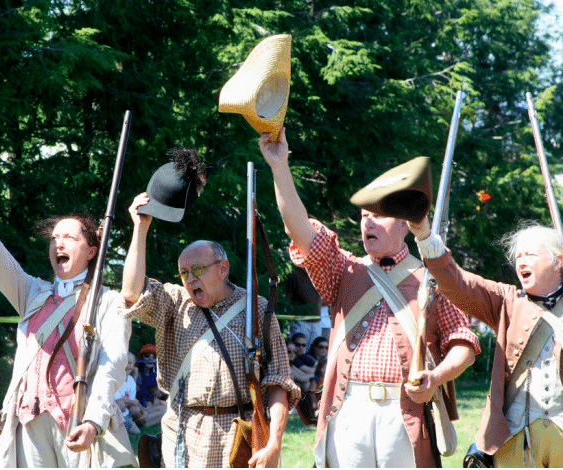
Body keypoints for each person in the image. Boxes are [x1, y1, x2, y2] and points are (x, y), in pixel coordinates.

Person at [259, 128, 480, 468]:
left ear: (406, 223)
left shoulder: (433, 278)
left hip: (403, 411)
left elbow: (463, 344)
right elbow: (299, 229)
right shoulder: (342, 269)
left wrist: (436, 378)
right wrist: (279, 167)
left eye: (377, 215)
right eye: (363, 216)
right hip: (347, 409)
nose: (367, 224)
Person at [0, 173, 136, 468]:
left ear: (92, 251)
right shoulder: (35, 293)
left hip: (79, 419)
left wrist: (94, 420)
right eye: (55, 237)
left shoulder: (107, 301)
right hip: (29, 420)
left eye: (70, 237)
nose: (59, 243)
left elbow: (112, 366)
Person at [120, 193, 301, 468]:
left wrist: (274, 442)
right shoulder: (175, 302)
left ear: (223, 269)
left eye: (197, 269)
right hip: (182, 431)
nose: (190, 278)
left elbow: (278, 383)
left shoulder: (255, 307)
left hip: (237, 433)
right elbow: (131, 293)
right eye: (184, 273)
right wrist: (140, 227)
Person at [409, 217, 563, 467]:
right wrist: (425, 238)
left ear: (558, 261)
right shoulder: (508, 302)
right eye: (518, 257)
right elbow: (459, 284)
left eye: (530, 255)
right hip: (516, 438)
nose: (521, 262)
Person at [114, 353, 144, 434]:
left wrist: (134, 403)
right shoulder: (117, 379)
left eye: (130, 363)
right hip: (117, 411)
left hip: (126, 412)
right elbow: (118, 400)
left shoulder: (131, 380)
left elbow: (131, 399)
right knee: (121, 404)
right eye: (125, 363)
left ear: (133, 365)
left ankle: (132, 422)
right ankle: (120, 425)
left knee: (136, 409)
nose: (127, 366)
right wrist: (133, 402)